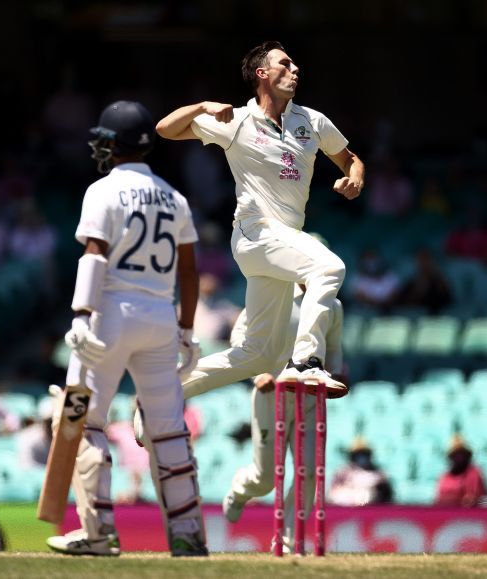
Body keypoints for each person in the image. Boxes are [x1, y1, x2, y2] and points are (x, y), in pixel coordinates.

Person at [156, 40, 364, 399]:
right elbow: (165, 129)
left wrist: (355, 179)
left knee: (257, 355)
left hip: (285, 242)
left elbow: (350, 159)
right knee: (329, 268)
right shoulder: (235, 121)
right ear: (262, 74)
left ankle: (164, 392)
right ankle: (305, 363)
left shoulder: (312, 121)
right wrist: (203, 106)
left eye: (296, 65)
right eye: (285, 64)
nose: (295, 70)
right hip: (256, 233)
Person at [45, 100, 207, 557]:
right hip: (160, 317)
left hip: (109, 316)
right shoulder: (175, 197)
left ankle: (98, 534)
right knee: (168, 430)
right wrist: (188, 331)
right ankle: (188, 535)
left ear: (114, 143)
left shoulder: (102, 190)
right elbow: (189, 271)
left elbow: (94, 254)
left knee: (81, 417)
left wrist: (81, 313)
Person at [221, 281, 344, 552]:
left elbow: (333, 350)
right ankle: (241, 489)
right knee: (265, 480)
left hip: (311, 399)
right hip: (271, 393)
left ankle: (288, 541)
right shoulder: (272, 296)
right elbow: (240, 336)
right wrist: (257, 374)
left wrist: (337, 372)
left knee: (310, 471)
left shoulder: (332, 306)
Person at [327, 437, 393, 506]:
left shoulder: (378, 472)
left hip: (371, 510)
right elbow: (332, 495)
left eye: (364, 454)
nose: (362, 458)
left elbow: (387, 495)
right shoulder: (343, 472)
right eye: (358, 454)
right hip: (346, 510)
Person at [435, 435, 487, 507]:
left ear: (468, 456)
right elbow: (439, 500)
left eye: (462, 454)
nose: (460, 458)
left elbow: (474, 500)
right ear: (451, 457)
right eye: (456, 454)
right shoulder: (444, 477)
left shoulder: (474, 473)